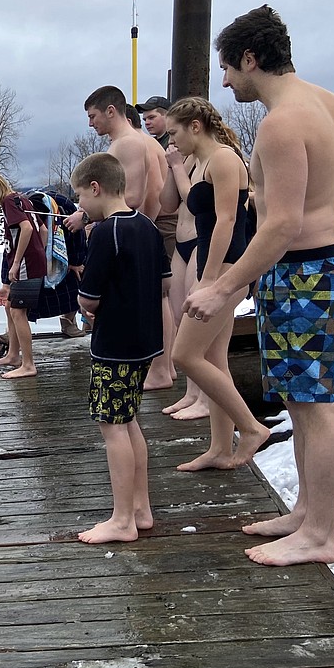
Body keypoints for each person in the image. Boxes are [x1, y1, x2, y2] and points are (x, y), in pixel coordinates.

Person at [183, 5, 334, 567]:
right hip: (317, 268)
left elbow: (282, 223)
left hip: (304, 275)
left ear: (251, 59)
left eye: (227, 68)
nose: (225, 81)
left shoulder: (281, 122)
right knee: (303, 403)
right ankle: (305, 512)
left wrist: (224, 289)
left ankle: (321, 533)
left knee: (318, 406)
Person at [71, 153, 171, 544]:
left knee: (112, 427)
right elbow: (164, 281)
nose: (80, 205)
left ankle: (122, 519)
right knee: (130, 422)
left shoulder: (106, 232)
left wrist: (89, 305)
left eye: (80, 197)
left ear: (95, 187)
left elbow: (89, 299)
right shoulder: (145, 225)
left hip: (114, 345)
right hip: (145, 343)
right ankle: (141, 509)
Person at [164, 97, 258, 471]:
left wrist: (209, 279)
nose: (172, 141)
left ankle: (251, 427)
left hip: (226, 269)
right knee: (215, 360)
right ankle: (220, 448)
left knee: (184, 355)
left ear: (195, 127)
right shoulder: (201, 161)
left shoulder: (223, 159)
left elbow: (227, 221)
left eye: (174, 133)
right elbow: (189, 201)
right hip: (215, 266)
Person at [76, 86, 175, 391]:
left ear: (110, 111)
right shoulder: (136, 141)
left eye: (93, 116)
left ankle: (160, 369)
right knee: (159, 297)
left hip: (150, 227)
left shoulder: (129, 143)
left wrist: (88, 217)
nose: (91, 123)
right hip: (148, 227)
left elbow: (130, 197)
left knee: (159, 297)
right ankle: (163, 367)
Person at [157, 128, 210, 421]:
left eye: (175, 134)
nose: (172, 141)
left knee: (195, 321)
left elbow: (194, 202)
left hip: (201, 242)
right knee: (179, 316)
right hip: (181, 243)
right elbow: (167, 204)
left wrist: (178, 166)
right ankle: (191, 392)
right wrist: (171, 166)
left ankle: (205, 398)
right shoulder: (184, 161)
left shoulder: (210, 159)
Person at [0, 170, 46, 379]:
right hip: (33, 261)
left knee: (17, 312)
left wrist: (16, 263)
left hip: (25, 265)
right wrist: (40, 253)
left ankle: (28, 364)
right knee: (10, 306)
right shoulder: (23, 199)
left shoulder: (8, 201)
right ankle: (13, 355)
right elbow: (43, 230)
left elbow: (27, 229)